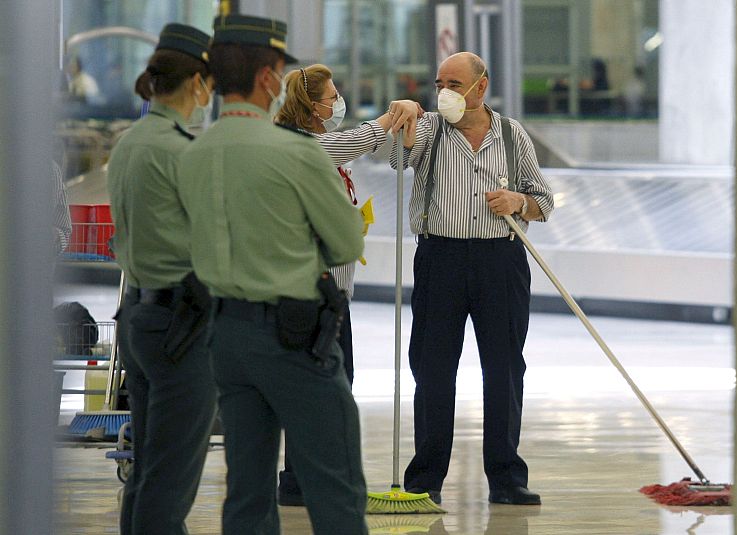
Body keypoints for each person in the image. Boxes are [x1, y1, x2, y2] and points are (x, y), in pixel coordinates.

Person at [177, 15, 368, 535]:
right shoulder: (296, 153)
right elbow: (348, 242)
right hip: (292, 336)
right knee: (337, 482)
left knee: (248, 491)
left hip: (224, 337)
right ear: (267, 77)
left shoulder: (194, 154)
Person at [390, 51, 554, 506]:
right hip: (439, 256)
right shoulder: (427, 129)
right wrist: (402, 116)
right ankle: (425, 478)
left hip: (500, 260)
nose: (444, 92)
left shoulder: (511, 133)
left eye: (455, 84)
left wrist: (518, 201)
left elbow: (544, 202)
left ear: (481, 87)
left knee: (503, 367)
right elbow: (396, 161)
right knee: (433, 367)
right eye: (439, 83)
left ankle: (506, 477)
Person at [273, 64, 419, 506]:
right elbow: (348, 142)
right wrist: (393, 117)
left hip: (335, 293)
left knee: (337, 381)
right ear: (311, 105)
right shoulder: (304, 145)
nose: (338, 103)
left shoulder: (315, 149)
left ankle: (311, 477)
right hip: (311, 291)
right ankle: (305, 481)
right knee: (319, 385)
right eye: (332, 96)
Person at [106, 23, 217, 535]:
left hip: (139, 316)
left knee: (148, 473)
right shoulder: (179, 151)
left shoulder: (130, 143)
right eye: (209, 82)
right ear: (197, 81)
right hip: (180, 326)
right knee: (170, 481)